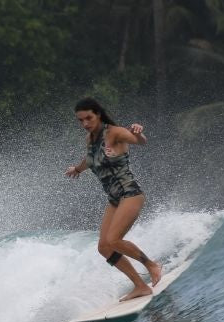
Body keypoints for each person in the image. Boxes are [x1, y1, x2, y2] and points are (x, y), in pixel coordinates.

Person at [64, 97, 163, 300]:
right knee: (104, 247)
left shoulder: (115, 132)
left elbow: (140, 142)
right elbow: (90, 159)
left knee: (114, 240)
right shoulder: (90, 139)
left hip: (130, 194)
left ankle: (152, 265)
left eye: (88, 118)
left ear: (98, 114)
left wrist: (139, 132)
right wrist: (77, 169)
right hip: (114, 199)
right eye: (80, 120)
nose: (85, 124)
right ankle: (140, 286)